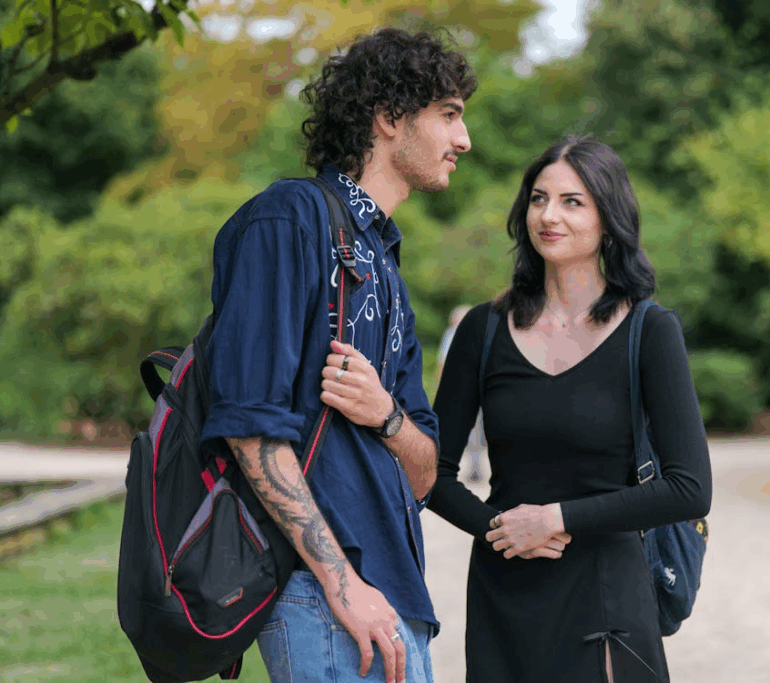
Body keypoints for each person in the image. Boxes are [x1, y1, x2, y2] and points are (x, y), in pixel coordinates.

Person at [199, 28, 474, 683]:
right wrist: (343, 584)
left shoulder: (383, 264)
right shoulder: (287, 220)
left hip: (396, 600)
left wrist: (384, 415)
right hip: (320, 595)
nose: (463, 140)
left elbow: (426, 473)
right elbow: (249, 426)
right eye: (449, 115)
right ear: (388, 118)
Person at [427, 135, 712, 682]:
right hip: (504, 588)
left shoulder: (649, 331)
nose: (548, 215)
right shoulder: (481, 330)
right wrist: (500, 530)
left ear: (609, 218)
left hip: (607, 594)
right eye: (538, 199)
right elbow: (431, 474)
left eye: (571, 201)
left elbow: (689, 488)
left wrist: (554, 519)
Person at [435, 305, 487, 483]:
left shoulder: (476, 333)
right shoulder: (454, 334)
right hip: (460, 389)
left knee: (476, 430)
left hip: (477, 388)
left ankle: (473, 467)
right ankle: (447, 470)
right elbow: (442, 364)